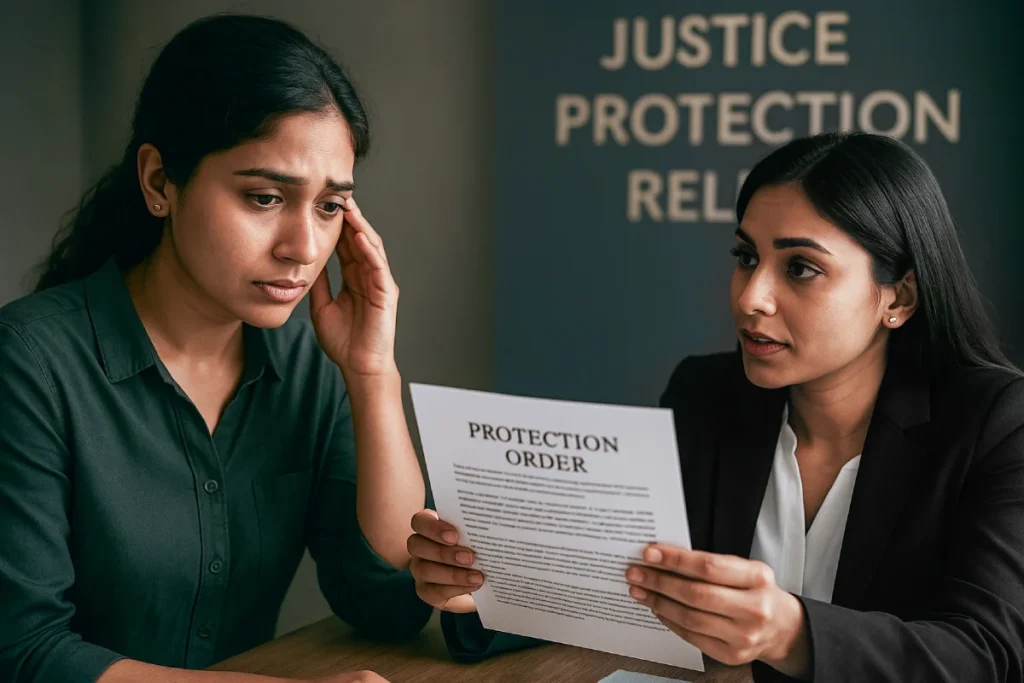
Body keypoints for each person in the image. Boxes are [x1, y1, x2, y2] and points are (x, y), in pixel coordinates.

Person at [406, 132, 1024, 682]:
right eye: (746, 257)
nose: (752, 296)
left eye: (801, 268)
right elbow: (628, 594)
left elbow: (989, 655)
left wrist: (792, 633)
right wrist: (490, 589)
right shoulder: (704, 397)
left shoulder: (997, 423)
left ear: (899, 296)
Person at [0, 14, 431, 683]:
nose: (304, 247)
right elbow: (24, 650)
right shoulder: (31, 361)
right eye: (264, 197)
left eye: (328, 208)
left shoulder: (309, 368)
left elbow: (388, 598)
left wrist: (373, 373)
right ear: (158, 182)